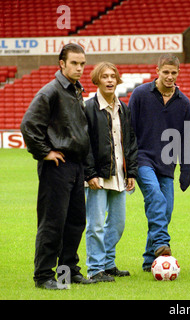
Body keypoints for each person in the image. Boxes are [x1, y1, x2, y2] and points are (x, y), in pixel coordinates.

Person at [20, 43, 94, 289]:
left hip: (76, 166)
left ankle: (67, 272)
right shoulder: (50, 91)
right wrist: (45, 152)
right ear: (61, 64)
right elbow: (29, 125)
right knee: (53, 221)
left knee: (75, 221)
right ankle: (43, 275)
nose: (79, 68)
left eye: (82, 63)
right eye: (74, 63)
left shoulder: (75, 90)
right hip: (57, 167)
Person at [128, 54, 190, 272]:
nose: (170, 76)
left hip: (167, 162)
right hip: (142, 157)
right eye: (166, 72)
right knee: (155, 196)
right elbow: (129, 131)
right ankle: (162, 244)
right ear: (157, 71)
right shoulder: (140, 94)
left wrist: (186, 170)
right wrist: (129, 164)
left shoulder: (183, 102)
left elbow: (184, 138)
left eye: (174, 72)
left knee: (165, 211)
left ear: (178, 73)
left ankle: (149, 261)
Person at [83, 62, 138, 282]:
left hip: (119, 175)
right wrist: (90, 174)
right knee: (95, 225)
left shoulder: (123, 108)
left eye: (113, 76)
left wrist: (131, 172)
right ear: (97, 80)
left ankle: (108, 263)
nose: (109, 80)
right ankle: (95, 269)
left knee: (117, 223)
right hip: (97, 176)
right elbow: (84, 144)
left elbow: (130, 142)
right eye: (104, 76)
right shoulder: (88, 108)